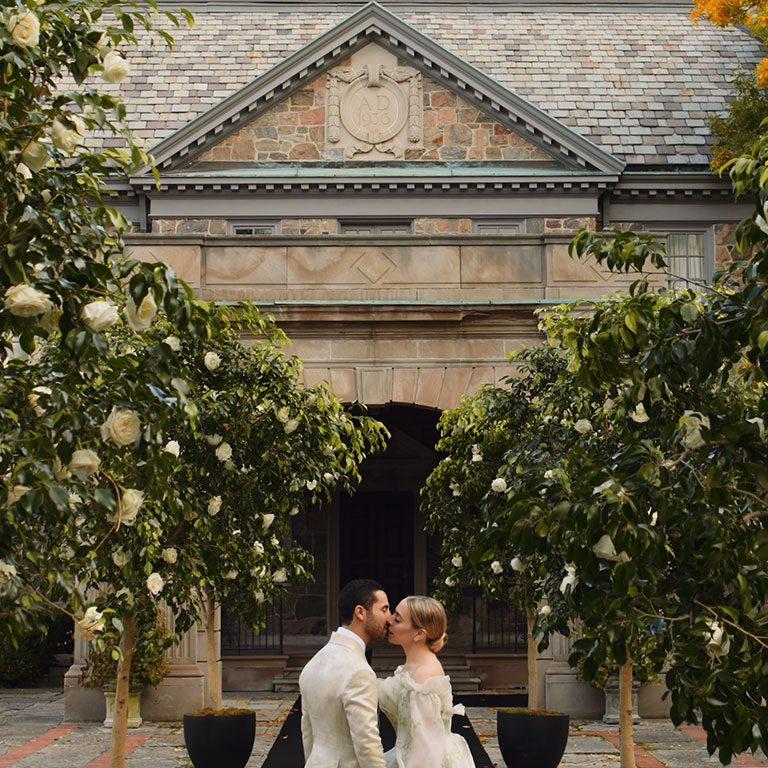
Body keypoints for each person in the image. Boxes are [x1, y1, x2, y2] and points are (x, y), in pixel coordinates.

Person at [299, 578, 392, 768]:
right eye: (384, 609)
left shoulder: (314, 662)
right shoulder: (359, 671)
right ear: (360, 612)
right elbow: (367, 743)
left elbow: (307, 732)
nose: (389, 618)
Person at [377, 595, 474, 768]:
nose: (389, 620)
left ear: (419, 634)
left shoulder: (424, 678)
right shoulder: (411, 667)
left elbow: (426, 750)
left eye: (397, 619)